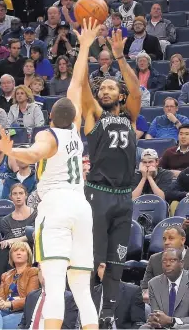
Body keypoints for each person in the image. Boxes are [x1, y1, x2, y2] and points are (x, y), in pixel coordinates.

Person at [0, 18, 101, 330]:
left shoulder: (48, 135)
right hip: (82, 208)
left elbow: (35, 154)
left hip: (56, 209)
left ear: (51, 115)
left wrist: (12, 151)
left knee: (53, 286)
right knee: (80, 287)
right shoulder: (76, 129)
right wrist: (86, 47)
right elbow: (76, 84)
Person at [78, 22, 141, 327]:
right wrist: (86, 48)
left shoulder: (130, 117)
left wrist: (119, 58)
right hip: (98, 194)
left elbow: (138, 91)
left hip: (124, 198)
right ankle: (85, 315)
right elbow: (82, 90)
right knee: (91, 262)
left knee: (116, 263)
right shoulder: (94, 117)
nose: (104, 90)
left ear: (120, 94)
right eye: (102, 87)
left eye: (110, 87)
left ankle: (107, 317)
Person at [0, 242, 39, 329]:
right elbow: (0, 297)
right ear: (11, 255)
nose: (18, 253)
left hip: (24, 312)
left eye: (22, 251)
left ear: (28, 255)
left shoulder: (33, 272)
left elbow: (30, 299)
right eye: (15, 251)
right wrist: (0, 301)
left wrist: (10, 304)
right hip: (6, 309)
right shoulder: (5, 275)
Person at [0, 184, 37, 284]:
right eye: (15, 194)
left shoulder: (36, 215)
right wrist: (13, 241)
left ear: (26, 195)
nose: (18, 196)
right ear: (10, 197)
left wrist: (14, 240)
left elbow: (35, 235)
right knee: (5, 250)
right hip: (15, 250)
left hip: (32, 247)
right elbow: (11, 243)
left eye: (21, 193)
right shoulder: (5, 220)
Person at [141, 248, 189, 329]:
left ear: (181, 263)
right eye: (164, 261)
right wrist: (154, 319)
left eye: (172, 260)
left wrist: (172, 321)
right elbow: (157, 314)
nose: (167, 264)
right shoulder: (153, 283)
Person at [141, 225, 189, 304]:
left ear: (182, 240)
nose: (166, 242)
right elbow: (145, 288)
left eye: (171, 238)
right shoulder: (154, 259)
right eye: (164, 239)